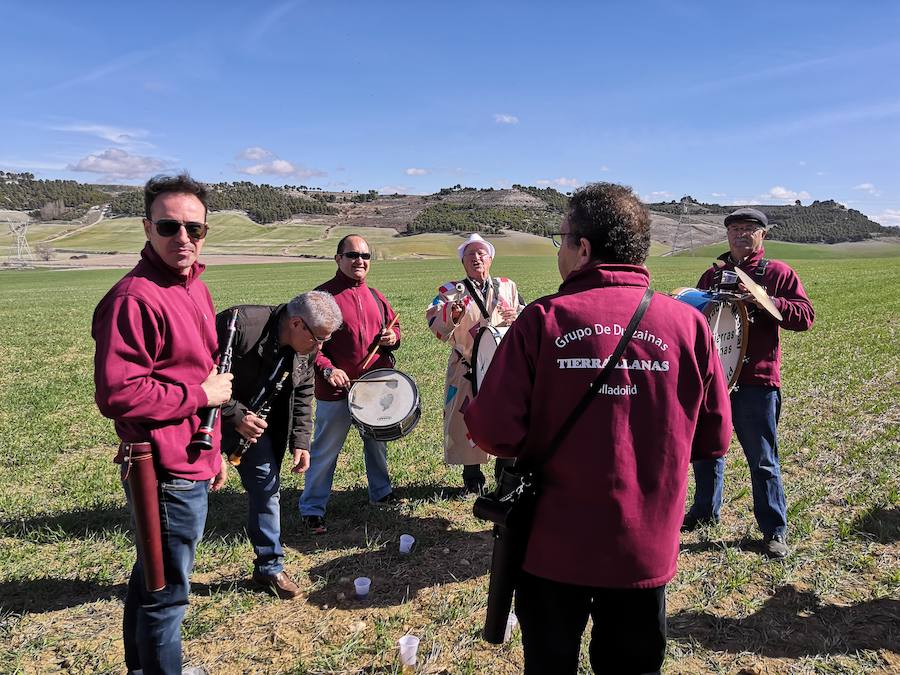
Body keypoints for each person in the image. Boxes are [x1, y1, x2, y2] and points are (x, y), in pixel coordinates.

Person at [465, 182, 732, 674]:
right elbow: (713, 439)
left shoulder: (542, 320)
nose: (560, 251)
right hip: (643, 550)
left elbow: (492, 432)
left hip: (551, 549)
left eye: (562, 239)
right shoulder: (690, 326)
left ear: (583, 249)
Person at [92, 173, 233, 675]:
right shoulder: (136, 298)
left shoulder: (195, 287)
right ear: (147, 227)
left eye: (195, 229)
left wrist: (212, 451)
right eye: (170, 226)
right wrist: (201, 396)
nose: (184, 239)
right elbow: (118, 393)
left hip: (188, 455)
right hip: (162, 465)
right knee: (168, 594)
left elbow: (200, 373)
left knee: (150, 574)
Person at [682, 207, 814, 559]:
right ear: (727, 235)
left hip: (757, 381)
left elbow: (804, 317)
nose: (741, 234)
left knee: (763, 459)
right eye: (735, 229)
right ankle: (704, 512)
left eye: (749, 229)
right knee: (707, 451)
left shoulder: (777, 273)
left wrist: (761, 297)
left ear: (763, 235)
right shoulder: (711, 276)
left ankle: (774, 529)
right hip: (714, 382)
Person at [219, 291, 342, 599]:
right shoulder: (241, 326)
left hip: (261, 424)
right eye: (318, 339)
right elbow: (197, 377)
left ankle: (268, 568)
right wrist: (235, 415)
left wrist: (301, 440)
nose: (321, 347)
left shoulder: (307, 344)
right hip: (210, 417)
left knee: (266, 484)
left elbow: (303, 392)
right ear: (297, 323)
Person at [298, 235, 401, 533]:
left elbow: (394, 328)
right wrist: (328, 369)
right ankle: (313, 507)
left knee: (376, 444)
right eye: (352, 254)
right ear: (338, 258)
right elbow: (307, 344)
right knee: (326, 449)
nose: (360, 261)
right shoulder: (321, 298)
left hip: (372, 387)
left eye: (366, 256)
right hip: (336, 390)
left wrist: (393, 339)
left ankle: (381, 493)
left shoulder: (377, 296)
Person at [425, 233, 524, 494]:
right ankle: (472, 478)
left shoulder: (508, 287)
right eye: (471, 255)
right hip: (466, 366)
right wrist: (452, 314)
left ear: (490, 259)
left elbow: (528, 317)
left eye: (481, 254)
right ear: (463, 263)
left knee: (506, 420)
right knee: (466, 418)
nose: (477, 258)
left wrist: (518, 316)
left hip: (503, 367)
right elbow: (436, 325)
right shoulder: (449, 291)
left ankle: (505, 475)